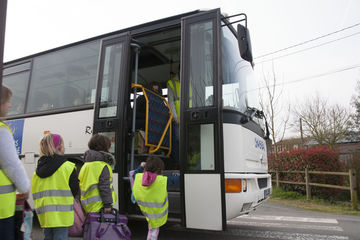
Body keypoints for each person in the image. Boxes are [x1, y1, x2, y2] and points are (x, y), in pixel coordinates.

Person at [31, 133, 79, 240]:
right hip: (62, 215)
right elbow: (74, 190)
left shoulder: (37, 170)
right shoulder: (68, 167)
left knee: (47, 237)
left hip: (45, 214)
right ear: (61, 147)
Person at [0, 85, 30, 240]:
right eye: (7, 101)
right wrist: (24, 187)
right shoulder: (1, 130)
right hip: (2, 209)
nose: (9, 105)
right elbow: (11, 164)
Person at [132, 156, 179, 240]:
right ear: (159, 170)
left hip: (146, 210)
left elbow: (135, 173)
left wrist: (141, 166)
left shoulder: (138, 177)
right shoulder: (162, 180)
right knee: (153, 230)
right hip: (156, 213)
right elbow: (175, 179)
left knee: (152, 228)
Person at [79, 133, 117, 214]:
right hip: (100, 206)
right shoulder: (103, 166)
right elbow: (104, 186)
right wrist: (107, 205)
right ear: (106, 147)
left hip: (87, 205)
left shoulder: (85, 165)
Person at [167, 69, 180, 168]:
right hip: (177, 118)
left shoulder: (191, 81)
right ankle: (176, 164)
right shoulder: (171, 83)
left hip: (189, 117)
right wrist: (174, 116)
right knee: (177, 140)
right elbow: (170, 101)